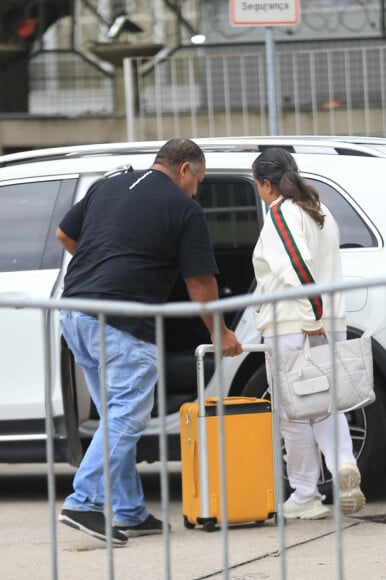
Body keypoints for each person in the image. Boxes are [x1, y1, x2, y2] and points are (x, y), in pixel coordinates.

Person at [55, 138, 242, 545]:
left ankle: (129, 511)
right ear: (185, 170)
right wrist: (220, 332)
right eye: (200, 180)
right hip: (123, 323)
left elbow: (65, 235)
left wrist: (103, 269)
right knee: (126, 417)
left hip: (75, 314)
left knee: (114, 419)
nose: (198, 190)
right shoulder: (184, 208)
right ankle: (84, 502)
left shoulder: (108, 185)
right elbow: (200, 282)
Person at [251, 147, 366, 520]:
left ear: (266, 184)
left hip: (295, 324)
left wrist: (310, 317)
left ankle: (304, 494)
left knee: (295, 411)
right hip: (325, 320)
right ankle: (344, 462)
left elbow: (296, 268)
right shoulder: (319, 209)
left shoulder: (281, 213)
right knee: (325, 402)